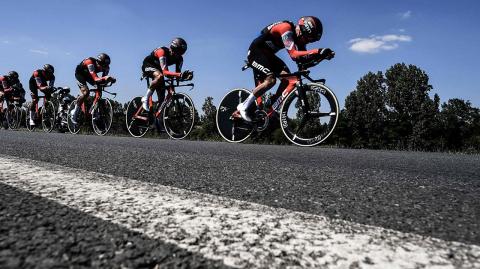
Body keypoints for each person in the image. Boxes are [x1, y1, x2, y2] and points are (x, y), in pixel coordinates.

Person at [235, 16, 335, 121]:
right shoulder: (285, 28)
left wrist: (322, 56)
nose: (306, 43)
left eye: (310, 41)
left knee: (289, 79)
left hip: (268, 56)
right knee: (271, 80)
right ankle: (243, 106)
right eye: (307, 39)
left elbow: (303, 61)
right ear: (302, 30)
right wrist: (317, 51)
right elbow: (294, 55)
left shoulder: (299, 37)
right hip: (255, 52)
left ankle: (270, 107)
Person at [141, 37, 193, 112]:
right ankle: (145, 98)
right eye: (177, 52)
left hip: (160, 69)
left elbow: (177, 75)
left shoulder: (180, 59)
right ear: (172, 48)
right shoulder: (162, 51)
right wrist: (180, 74)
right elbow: (165, 72)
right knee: (159, 76)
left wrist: (185, 77)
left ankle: (155, 118)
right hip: (148, 65)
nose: (177, 55)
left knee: (161, 99)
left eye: (181, 53)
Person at [71, 53, 115, 124]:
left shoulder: (106, 67)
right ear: (97, 62)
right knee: (86, 92)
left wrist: (109, 80)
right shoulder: (90, 62)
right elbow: (95, 78)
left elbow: (102, 81)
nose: (103, 68)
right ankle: (75, 112)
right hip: (80, 74)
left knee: (99, 88)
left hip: (89, 75)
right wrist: (106, 78)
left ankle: (95, 110)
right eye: (101, 66)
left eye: (105, 66)